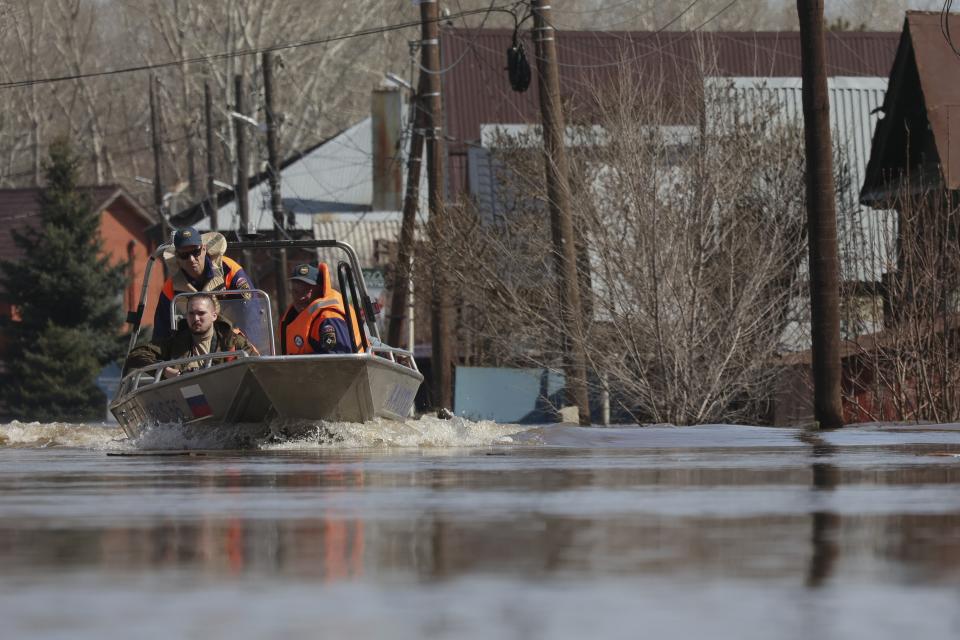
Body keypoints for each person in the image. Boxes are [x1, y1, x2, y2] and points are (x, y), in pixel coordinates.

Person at [152, 226, 253, 340]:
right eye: (184, 255)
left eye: (195, 252)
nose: (191, 259)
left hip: (232, 343)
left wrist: (250, 351)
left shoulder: (231, 271)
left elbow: (251, 315)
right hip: (192, 349)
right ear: (177, 257)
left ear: (204, 249)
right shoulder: (170, 287)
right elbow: (161, 333)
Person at [126, 293, 257, 378]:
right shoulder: (175, 342)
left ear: (214, 316)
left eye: (201, 313)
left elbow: (258, 367)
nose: (196, 318)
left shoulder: (233, 341)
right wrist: (165, 370)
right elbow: (137, 355)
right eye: (191, 313)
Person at [279, 263, 361, 355]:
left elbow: (339, 359)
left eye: (307, 291)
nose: (300, 297)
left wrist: (298, 362)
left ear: (320, 290)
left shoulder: (329, 318)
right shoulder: (294, 316)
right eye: (296, 291)